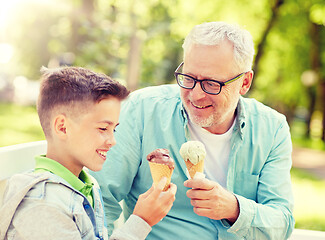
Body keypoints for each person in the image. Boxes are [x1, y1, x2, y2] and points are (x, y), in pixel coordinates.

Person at [91, 21, 295, 239]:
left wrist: (234, 209)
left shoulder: (272, 129)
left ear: (244, 82)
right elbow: (101, 200)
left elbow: (282, 221)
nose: (196, 95)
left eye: (212, 84)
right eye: (188, 78)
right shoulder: (141, 110)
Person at [0, 66, 177, 240]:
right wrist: (142, 221)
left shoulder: (87, 183)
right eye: (102, 128)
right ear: (62, 127)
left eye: (114, 129)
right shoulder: (42, 206)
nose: (113, 141)